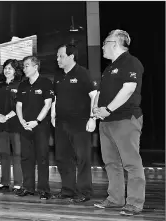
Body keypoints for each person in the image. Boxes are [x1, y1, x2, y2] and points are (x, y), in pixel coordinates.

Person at [93, 30, 145, 216]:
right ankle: (115, 199)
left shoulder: (131, 62)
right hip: (106, 122)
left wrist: (108, 109)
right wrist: (97, 113)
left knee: (131, 163)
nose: (102, 47)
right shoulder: (109, 68)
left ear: (114, 43)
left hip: (125, 119)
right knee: (111, 163)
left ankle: (135, 203)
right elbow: (100, 94)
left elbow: (129, 89)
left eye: (105, 43)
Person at [51, 43, 98, 203]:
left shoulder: (83, 73)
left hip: (80, 124)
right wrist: (53, 115)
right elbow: (55, 98)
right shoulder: (58, 76)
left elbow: (94, 96)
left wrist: (93, 118)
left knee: (82, 157)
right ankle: (67, 190)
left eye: (61, 56)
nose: (58, 59)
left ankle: (84, 191)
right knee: (62, 158)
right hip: (61, 123)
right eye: (57, 56)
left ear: (71, 56)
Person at [15, 56, 54, 199]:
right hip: (25, 127)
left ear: (35, 66)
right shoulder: (22, 85)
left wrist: (36, 121)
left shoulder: (45, 83)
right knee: (26, 157)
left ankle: (44, 189)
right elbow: (18, 105)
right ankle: (28, 187)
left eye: (27, 66)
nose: (24, 69)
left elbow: (48, 104)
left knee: (42, 157)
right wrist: (22, 121)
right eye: (24, 66)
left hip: (41, 127)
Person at [0, 59, 23, 192]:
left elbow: (21, 105)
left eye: (10, 68)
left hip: (15, 125)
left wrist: (7, 116)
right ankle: (4, 182)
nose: (7, 70)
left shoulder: (21, 85)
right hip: (1, 126)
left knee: (17, 154)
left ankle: (18, 183)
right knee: (3, 153)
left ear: (15, 71)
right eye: (5, 68)